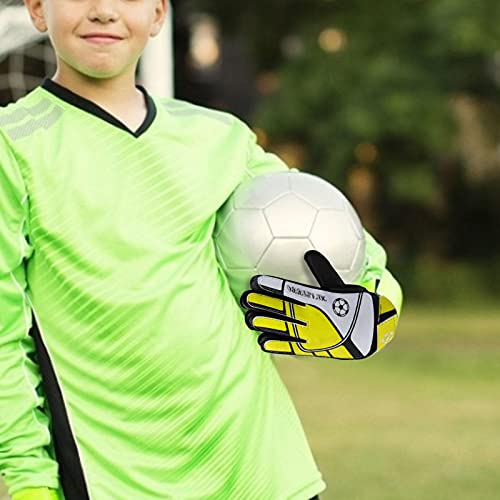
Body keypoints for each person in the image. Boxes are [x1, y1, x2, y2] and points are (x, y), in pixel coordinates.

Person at [0, 0, 402, 499]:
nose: (103, 11)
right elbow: (3, 342)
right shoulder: (11, 147)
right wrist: (30, 483)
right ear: (37, 9)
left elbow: (349, 245)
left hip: (267, 475)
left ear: (159, 14)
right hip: (120, 485)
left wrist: (367, 312)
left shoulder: (219, 138)